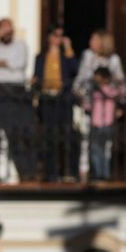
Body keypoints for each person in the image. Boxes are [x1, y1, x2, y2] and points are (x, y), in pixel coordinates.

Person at [0, 18, 33, 182]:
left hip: (17, 93)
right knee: (3, 134)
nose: (7, 33)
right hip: (0, 93)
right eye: (3, 30)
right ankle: (3, 174)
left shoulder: (20, 45)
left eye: (9, 29)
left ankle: (27, 171)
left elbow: (18, 64)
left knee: (22, 133)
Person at [32, 25, 78, 182]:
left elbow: (75, 70)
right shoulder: (41, 57)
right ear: (50, 37)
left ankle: (69, 171)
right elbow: (37, 75)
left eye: (61, 36)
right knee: (49, 137)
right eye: (56, 35)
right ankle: (51, 172)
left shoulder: (66, 56)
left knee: (66, 136)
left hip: (63, 99)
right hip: (47, 99)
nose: (59, 39)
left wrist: (69, 49)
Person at [84, 67, 126, 182]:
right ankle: (98, 172)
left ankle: (105, 173)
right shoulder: (93, 91)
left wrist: (115, 80)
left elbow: (122, 92)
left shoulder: (111, 90)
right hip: (96, 123)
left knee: (105, 149)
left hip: (107, 123)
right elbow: (87, 105)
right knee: (95, 149)